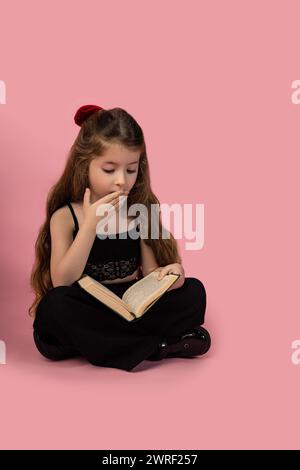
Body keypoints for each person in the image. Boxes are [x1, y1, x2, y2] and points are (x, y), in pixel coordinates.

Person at [29, 104, 211, 372]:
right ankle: (157, 346)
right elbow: (62, 282)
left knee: (194, 291)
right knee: (55, 307)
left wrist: (172, 276)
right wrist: (90, 225)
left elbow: (150, 273)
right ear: (85, 165)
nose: (120, 181)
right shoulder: (66, 217)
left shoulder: (140, 212)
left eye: (130, 170)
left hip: (129, 304)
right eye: (109, 169)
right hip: (89, 306)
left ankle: (115, 344)